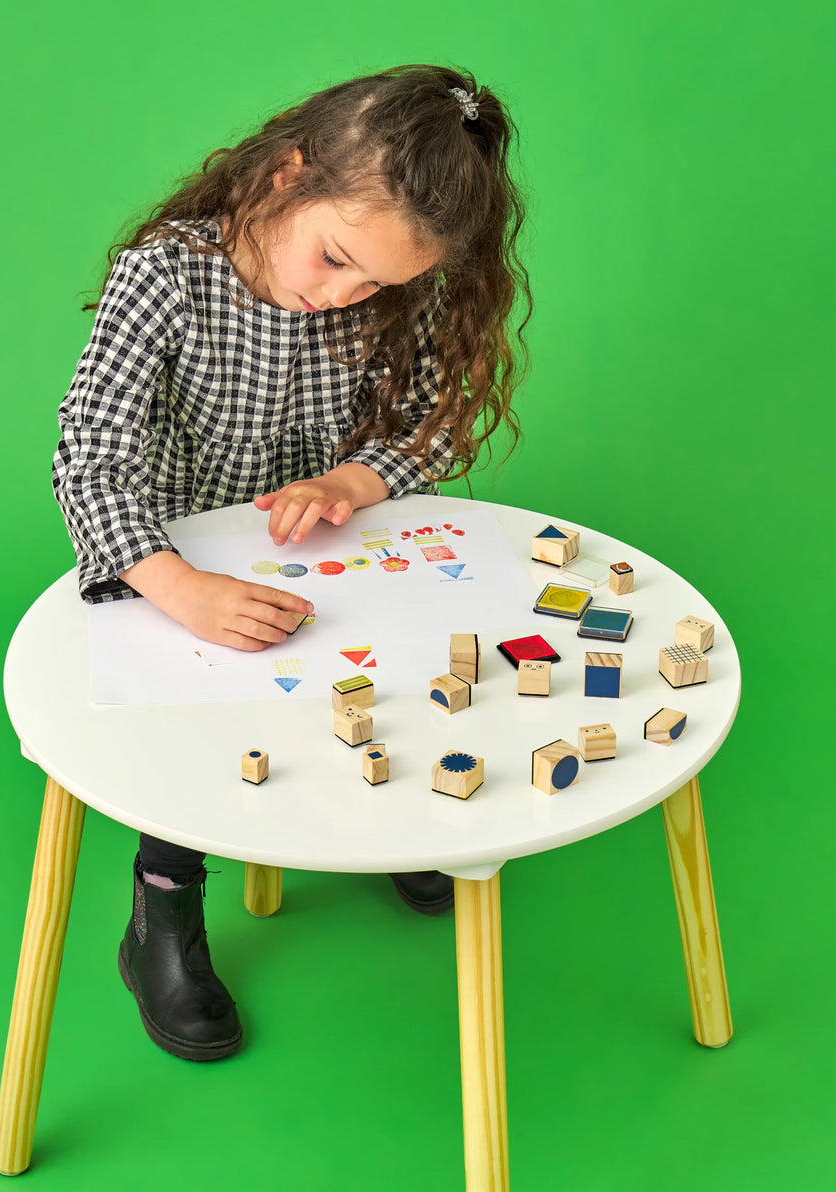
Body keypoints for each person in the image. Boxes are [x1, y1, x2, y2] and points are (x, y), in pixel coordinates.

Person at [52, 64, 531, 1062]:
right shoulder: (167, 275)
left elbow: (435, 427)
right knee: (204, 715)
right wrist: (180, 588)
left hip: (335, 557)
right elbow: (86, 452)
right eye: (334, 260)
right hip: (183, 564)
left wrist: (355, 481)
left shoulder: (390, 286)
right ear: (286, 176)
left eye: (375, 285)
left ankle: (394, 810)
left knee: (393, 665)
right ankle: (162, 914)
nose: (342, 295)